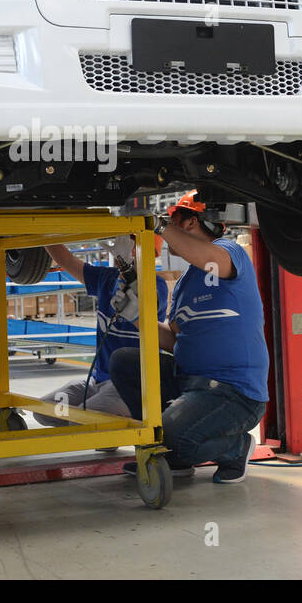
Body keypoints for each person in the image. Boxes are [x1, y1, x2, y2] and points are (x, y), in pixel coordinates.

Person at [108, 193, 269, 484]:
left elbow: (211, 259)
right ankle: (174, 455)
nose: (168, 231)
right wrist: (135, 316)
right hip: (189, 384)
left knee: (171, 434)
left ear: (192, 221)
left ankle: (235, 448)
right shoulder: (185, 282)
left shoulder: (229, 253)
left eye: (173, 221)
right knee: (124, 361)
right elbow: (176, 340)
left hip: (234, 394)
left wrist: (156, 225)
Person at [34, 235, 169, 427]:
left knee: (82, 420)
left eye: (129, 245)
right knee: (45, 411)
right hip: (97, 381)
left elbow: (145, 299)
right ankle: (106, 427)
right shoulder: (106, 278)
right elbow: (67, 260)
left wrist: (127, 267)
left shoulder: (156, 284)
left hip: (131, 385)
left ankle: (113, 426)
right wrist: (42, 230)